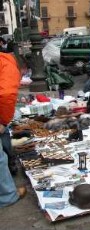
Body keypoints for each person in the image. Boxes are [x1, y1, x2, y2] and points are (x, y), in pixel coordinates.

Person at [0, 52, 27, 208]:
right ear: (22, 67)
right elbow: (7, 93)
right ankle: (7, 196)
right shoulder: (8, 64)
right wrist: (3, 121)